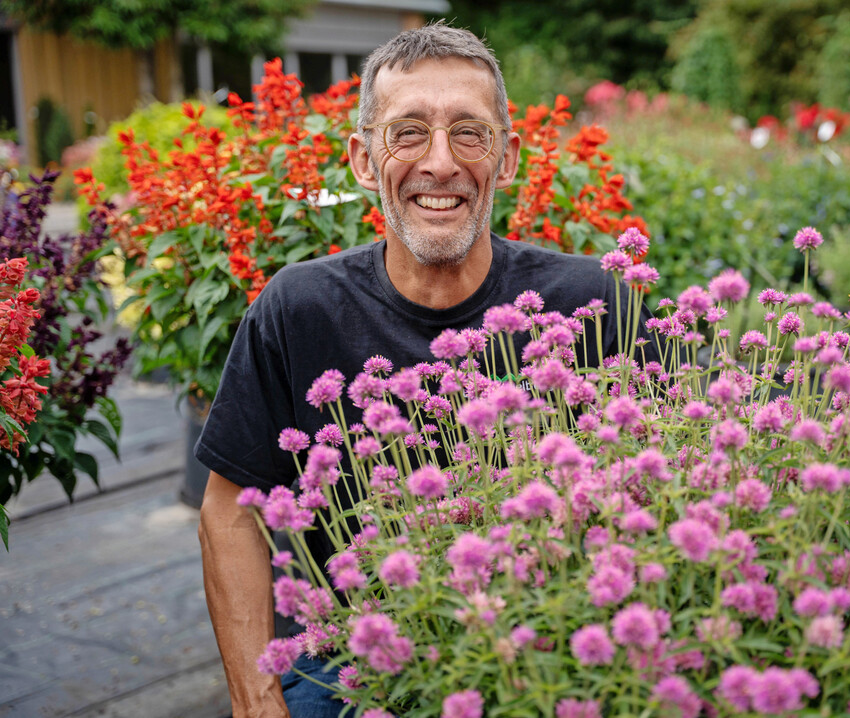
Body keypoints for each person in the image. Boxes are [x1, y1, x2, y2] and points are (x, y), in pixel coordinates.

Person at [197, 22, 648, 717]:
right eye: (407, 131)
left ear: (505, 159)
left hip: (554, 653)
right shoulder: (301, 306)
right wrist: (257, 705)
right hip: (350, 662)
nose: (440, 162)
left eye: (469, 132)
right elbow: (228, 513)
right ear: (360, 158)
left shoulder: (593, 302)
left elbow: (667, 489)